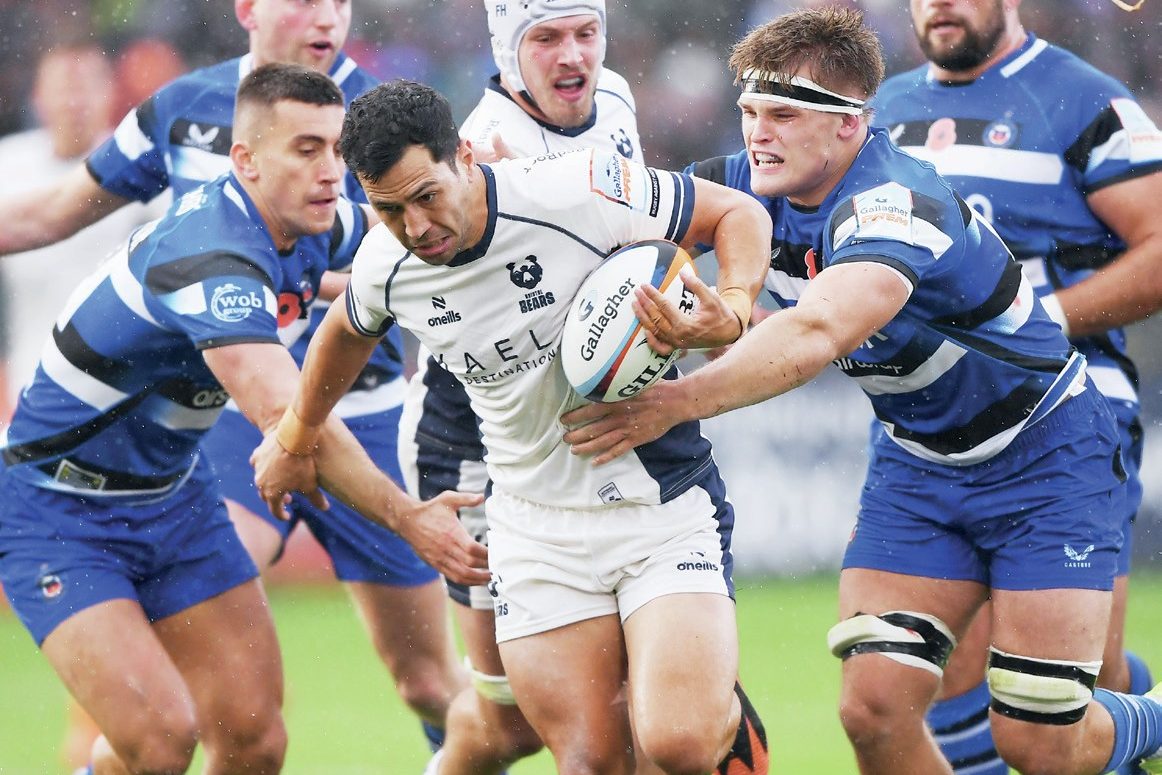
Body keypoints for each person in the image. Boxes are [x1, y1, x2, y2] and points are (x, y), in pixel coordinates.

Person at [561, 8, 1162, 774]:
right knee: (873, 709)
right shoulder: (750, 183)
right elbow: (608, 222)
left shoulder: (895, 203)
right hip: (919, 465)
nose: (758, 134)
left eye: (784, 114)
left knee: (1040, 743)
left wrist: (674, 399)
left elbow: (814, 333)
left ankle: (1151, 722)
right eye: (750, 112)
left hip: (1046, 458)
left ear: (850, 127)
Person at [252, 78, 772, 775]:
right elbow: (344, 333)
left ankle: (724, 723)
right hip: (534, 528)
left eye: (427, 196)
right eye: (388, 208)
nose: (416, 228)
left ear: (465, 156)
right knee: (589, 760)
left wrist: (733, 305)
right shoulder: (387, 260)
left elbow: (735, 213)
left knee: (677, 741)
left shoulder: (577, 191)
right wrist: (294, 435)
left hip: (659, 506)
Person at [0, 0, 466, 755]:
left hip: (174, 495)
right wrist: (411, 517)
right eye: (306, 151)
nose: (329, 173)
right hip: (59, 506)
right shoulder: (209, 256)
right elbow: (292, 419)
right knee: (161, 736)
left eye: (334, 153)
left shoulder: (309, 213)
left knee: (255, 740)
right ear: (245, 160)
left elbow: (405, 246)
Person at [870, 1, 1162, 772]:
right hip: (929, 425)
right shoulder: (882, 111)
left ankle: (1143, 716)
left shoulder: (1083, 97)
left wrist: (1031, 319)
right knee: (931, 682)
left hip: (1068, 411)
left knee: (1068, 696)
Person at [395, 2, 654, 772]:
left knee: (631, 706)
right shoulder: (482, 152)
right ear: (507, 50)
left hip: (576, 433)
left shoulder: (615, 99)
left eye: (586, 33)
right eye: (546, 38)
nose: (573, 55)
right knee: (509, 722)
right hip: (471, 443)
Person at [0, 44, 164, 415]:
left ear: (110, 94)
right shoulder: (6, 165)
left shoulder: (144, 168)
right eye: (63, 87)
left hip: (121, 388)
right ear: (38, 96)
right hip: (23, 380)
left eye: (86, 87)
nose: (75, 102)